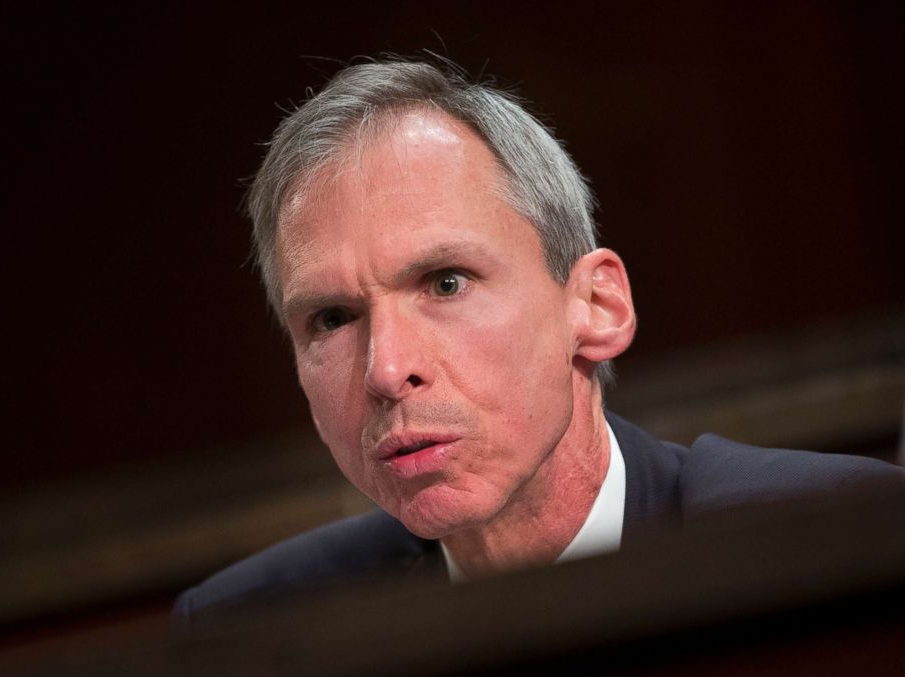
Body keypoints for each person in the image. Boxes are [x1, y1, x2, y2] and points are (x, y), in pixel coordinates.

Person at [173, 59, 902, 630]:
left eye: (446, 282)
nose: (388, 370)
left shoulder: (835, 536)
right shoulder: (253, 629)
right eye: (332, 319)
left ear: (596, 306)